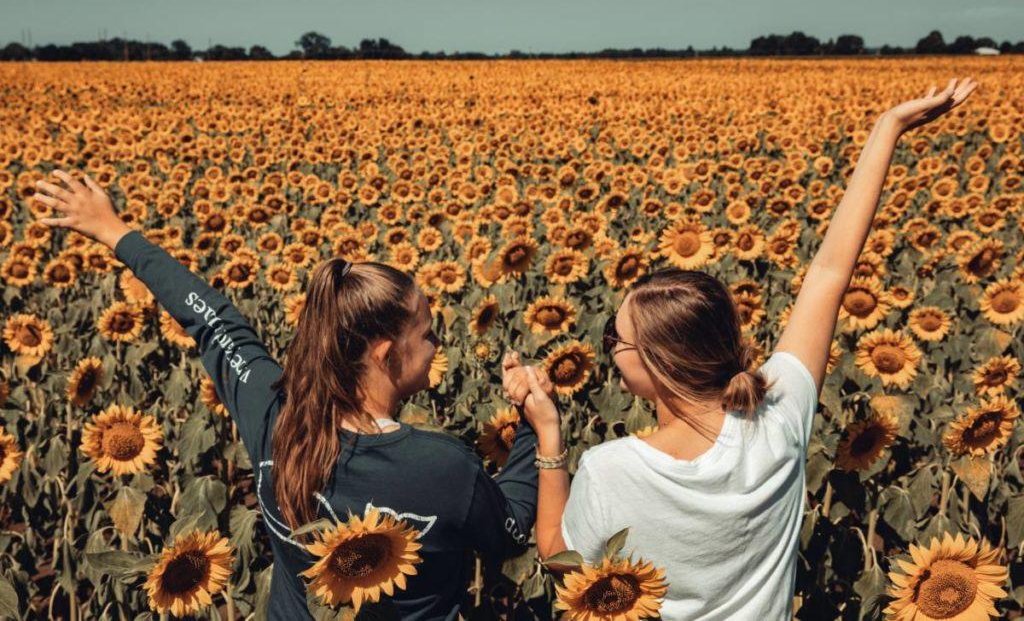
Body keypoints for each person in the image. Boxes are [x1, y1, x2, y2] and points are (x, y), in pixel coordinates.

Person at [504, 77, 979, 619]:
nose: (609, 347)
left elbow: (559, 559)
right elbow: (828, 275)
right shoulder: (778, 419)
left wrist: (548, 435)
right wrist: (888, 128)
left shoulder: (611, 468)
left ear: (654, 362)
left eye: (616, 338)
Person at [30, 171, 564, 620]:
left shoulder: (273, 410)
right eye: (426, 333)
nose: (437, 343)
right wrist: (537, 430)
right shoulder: (443, 466)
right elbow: (513, 530)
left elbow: (213, 321)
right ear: (385, 354)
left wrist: (115, 231)